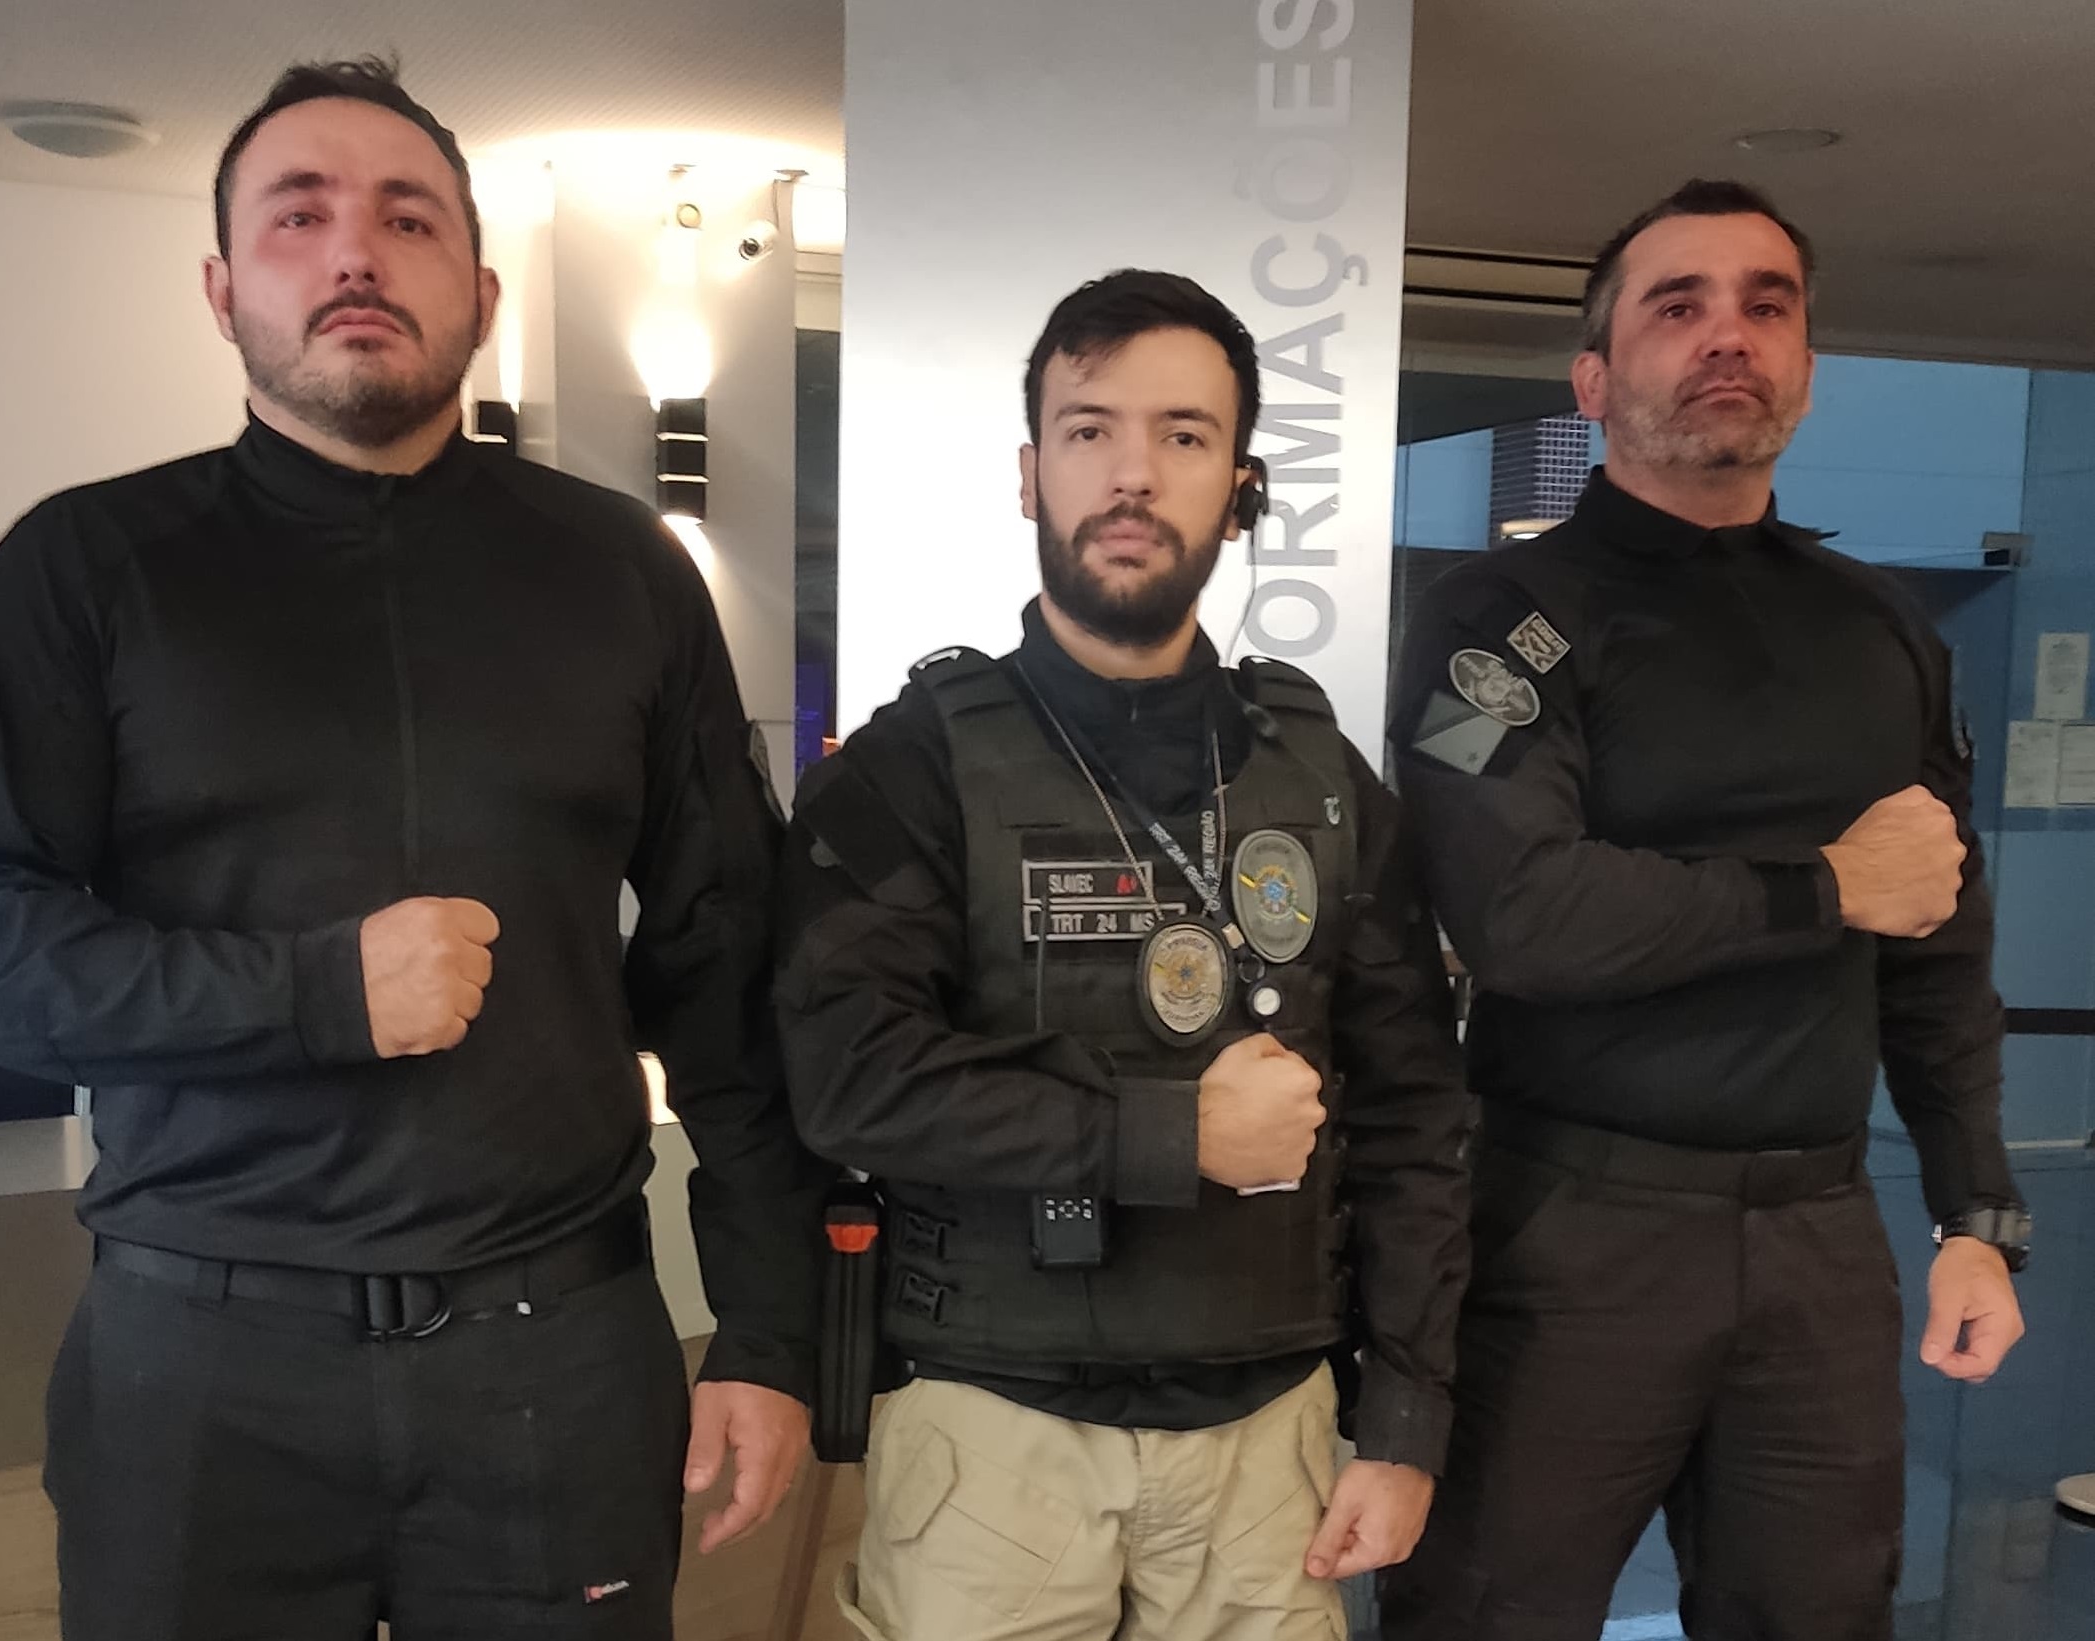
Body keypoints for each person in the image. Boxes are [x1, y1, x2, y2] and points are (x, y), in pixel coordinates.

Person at [0, 57, 825, 1641]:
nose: (356, 252)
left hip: (556, 1356)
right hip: (200, 1362)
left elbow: (730, 968)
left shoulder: (621, 572)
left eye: (408, 218)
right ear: (223, 288)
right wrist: (313, 993)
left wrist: (773, 1331)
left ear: (484, 295)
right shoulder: (90, 565)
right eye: (298, 217)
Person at [774, 269, 1474, 1641]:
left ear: (1241, 484)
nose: (1133, 474)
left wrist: (1404, 1418)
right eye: (1089, 430)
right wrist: (1169, 1134)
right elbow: (849, 1081)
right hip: (991, 1438)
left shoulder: (1320, 775)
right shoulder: (914, 765)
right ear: (1028, 473)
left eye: (1183, 434)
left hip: (1269, 1442)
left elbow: (1414, 1119)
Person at [1379, 179, 2029, 1640]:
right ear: (1594, 381)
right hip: (1569, 1230)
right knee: (1487, 1617)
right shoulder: (1499, 622)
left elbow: (1937, 941)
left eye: (1765, 305)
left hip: (1819, 1238)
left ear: (1805, 367)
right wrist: (1826, 887)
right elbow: (1524, 917)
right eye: (1677, 306)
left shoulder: (1883, 630)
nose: (1727, 334)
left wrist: (1977, 1211)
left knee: (1822, 1618)